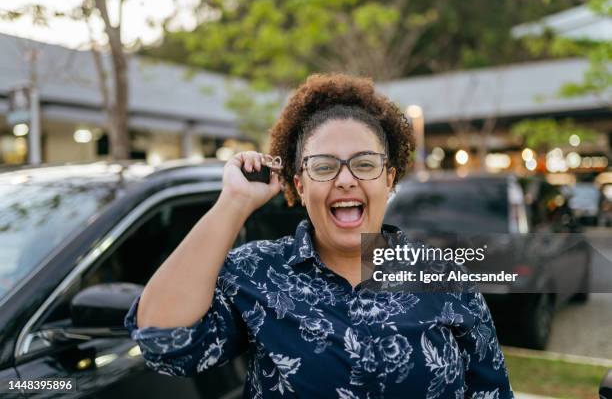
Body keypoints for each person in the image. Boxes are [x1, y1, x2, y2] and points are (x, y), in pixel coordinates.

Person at [125, 73, 514, 398]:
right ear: (300, 183)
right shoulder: (257, 272)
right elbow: (164, 344)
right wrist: (234, 202)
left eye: (364, 164)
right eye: (324, 167)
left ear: (389, 179)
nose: (345, 180)